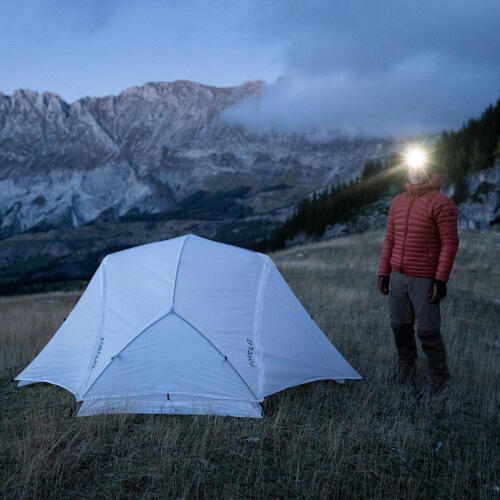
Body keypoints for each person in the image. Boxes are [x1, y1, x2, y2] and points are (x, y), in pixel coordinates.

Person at [377, 149, 459, 396]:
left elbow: (450, 243)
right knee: (399, 326)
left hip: (424, 279)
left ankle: (439, 379)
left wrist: (440, 280)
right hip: (399, 277)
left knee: (428, 332)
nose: (414, 172)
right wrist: (384, 271)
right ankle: (406, 369)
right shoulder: (398, 202)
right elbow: (390, 238)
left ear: (428, 171)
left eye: (419, 167)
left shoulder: (442, 203)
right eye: (410, 167)